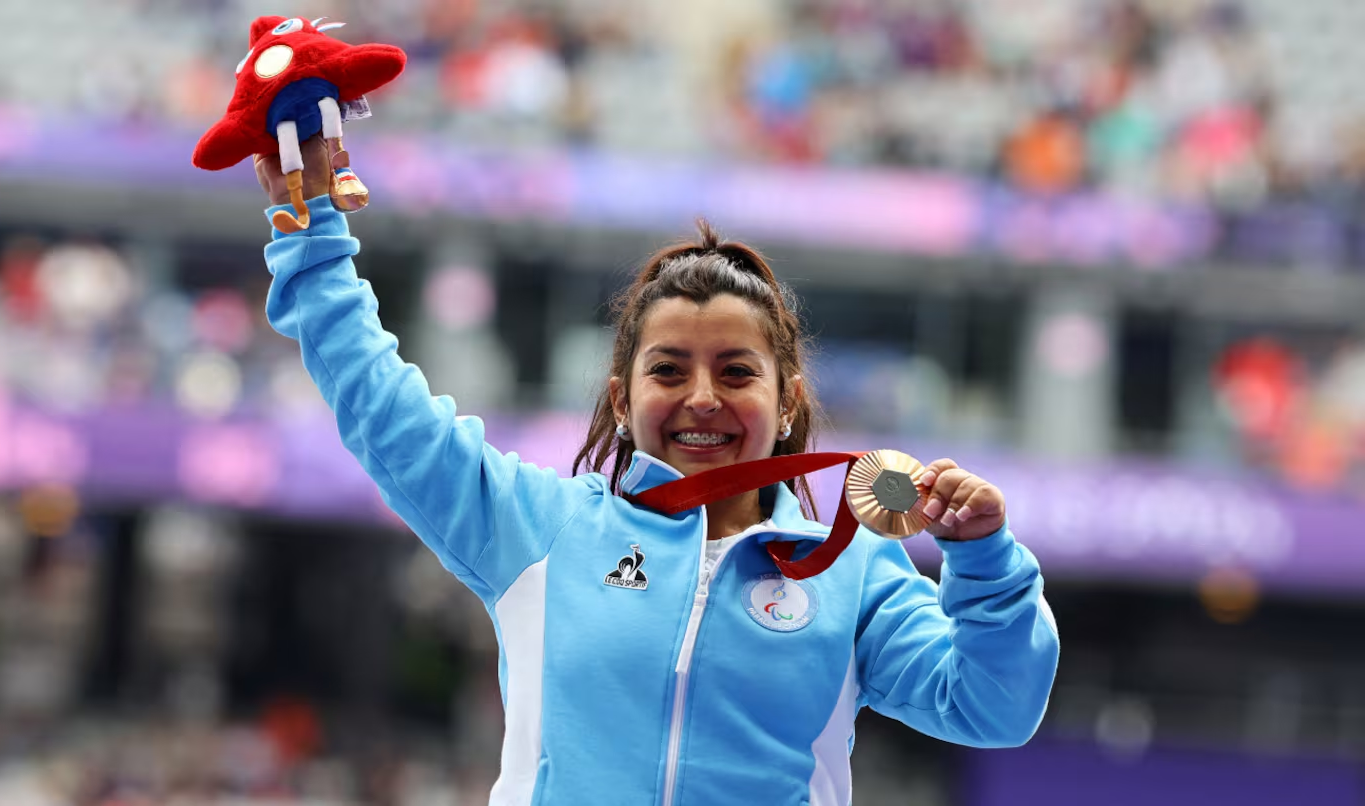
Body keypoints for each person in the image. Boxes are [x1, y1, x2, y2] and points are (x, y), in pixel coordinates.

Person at [255, 135, 1059, 805]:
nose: (701, 399)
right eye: (668, 370)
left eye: (737, 373)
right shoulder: (542, 529)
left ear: (787, 402)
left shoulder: (852, 569)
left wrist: (985, 562)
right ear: (622, 397)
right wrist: (312, 239)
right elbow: (384, 412)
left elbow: (993, 709)